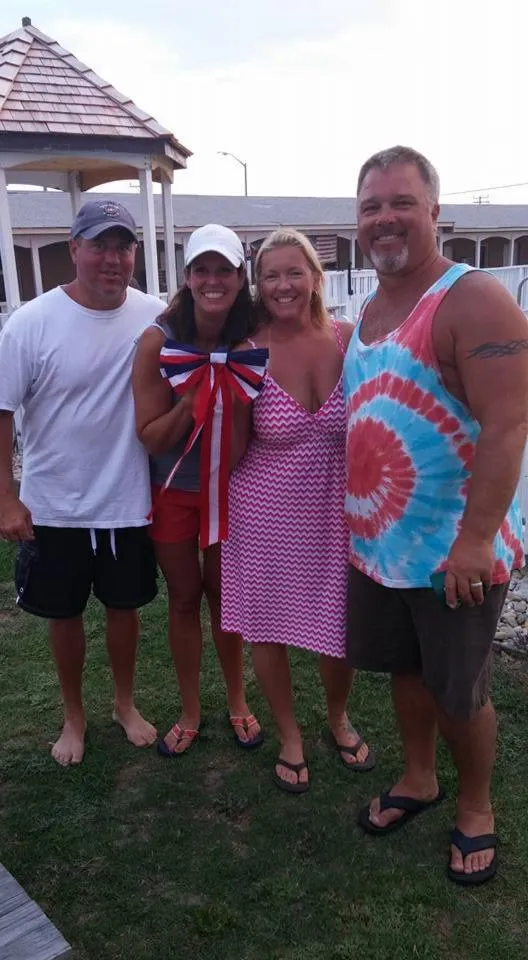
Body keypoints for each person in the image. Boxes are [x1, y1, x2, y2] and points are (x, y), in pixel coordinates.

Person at [344, 145, 528, 884]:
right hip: (382, 545)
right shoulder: (369, 308)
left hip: (456, 552)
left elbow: (510, 423)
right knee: (406, 671)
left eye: (402, 203)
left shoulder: (472, 299)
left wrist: (476, 540)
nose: (385, 219)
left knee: (460, 691)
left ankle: (476, 807)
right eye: (371, 206)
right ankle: (418, 778)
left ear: (435, 212)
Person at [0, 199, 165, 766]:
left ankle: (124, 704)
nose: (112, 259)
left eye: (123, 246)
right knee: (63, 614)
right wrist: (5, 498)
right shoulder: (30, 324)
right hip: (54, 506)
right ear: (74, 249)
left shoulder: (156, 317)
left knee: (125, 609)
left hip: (127, 500)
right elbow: (3, 411)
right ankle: (74, 715)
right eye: (99, 246)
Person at [222, 228, 374, 794]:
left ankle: (338, 717)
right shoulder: (247, 352)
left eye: (294, 272)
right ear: (258, 285)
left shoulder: (348, 339)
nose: (283, 285)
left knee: (341, 626)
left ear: (315, 277)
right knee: (267, 627)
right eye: (271, 275)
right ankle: (290, 735)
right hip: (264, 510)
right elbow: (233, 449)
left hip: (338, 511)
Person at [132, 224, 264, 756]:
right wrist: (191, 402)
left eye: (224, 270)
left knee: (225, 599)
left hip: (231, 490)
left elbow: (246, 435)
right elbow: (149, 437)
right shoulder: (158, 341)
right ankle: (190, 710)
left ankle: (237, 701)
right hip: (172, 491)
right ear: (187, 277)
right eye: (202, 270)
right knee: (184, 598)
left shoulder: (251, 338)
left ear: (240, 277)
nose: (213, 280)